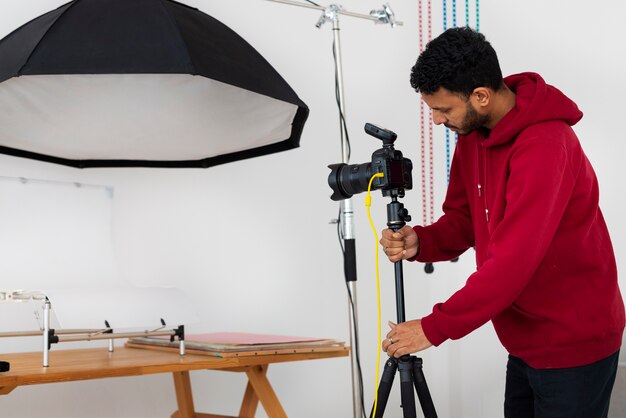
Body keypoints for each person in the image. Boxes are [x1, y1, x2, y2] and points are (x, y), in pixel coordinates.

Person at [379, 27, 625, 418]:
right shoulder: (473, 134)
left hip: (572, 342)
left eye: (443, 109)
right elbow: (464, 219)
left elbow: (512, 263)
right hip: (525, 340)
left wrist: (433, 327)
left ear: (481, 95)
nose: (437, 120)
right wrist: (421, 242)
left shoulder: (545, 144)